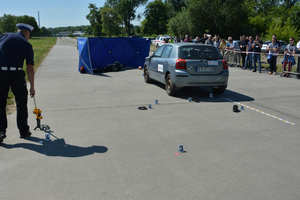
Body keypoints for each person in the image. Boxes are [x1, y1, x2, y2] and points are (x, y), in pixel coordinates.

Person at [0, 23, 35, 143]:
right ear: (27, 33)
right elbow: (30, 69)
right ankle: (24, 131)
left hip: (1, 73)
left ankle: (0, 131)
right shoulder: (27, 44)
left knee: (0, 103)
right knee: (21, 103)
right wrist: (32, 87)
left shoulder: (3, 36)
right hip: (17, 74)